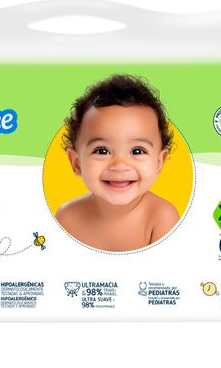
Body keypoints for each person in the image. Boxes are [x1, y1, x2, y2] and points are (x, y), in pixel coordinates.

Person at [56, 74, 179, 251]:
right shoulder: (68, 217)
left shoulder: (161, 217)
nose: (120, 165)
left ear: (159, 162)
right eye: (102, 151)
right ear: (76, 163)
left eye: (137, 151)